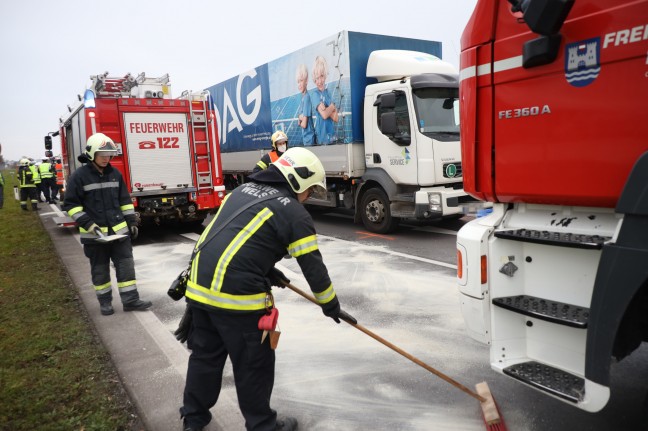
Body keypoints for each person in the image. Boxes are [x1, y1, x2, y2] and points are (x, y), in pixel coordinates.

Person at [177, 147, 355, 431]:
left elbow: (226, 236)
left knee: (205, 359)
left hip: (198, 289)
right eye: (309, 190)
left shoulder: (242, 191)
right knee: (253, 365)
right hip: (236, 301)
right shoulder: (294, 213)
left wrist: (264, 267)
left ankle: (193, 420)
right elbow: (313, 268)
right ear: (296, 180)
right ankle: (262, 426)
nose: (308, 197)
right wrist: (330, 304)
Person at [62, 133, 152, 316]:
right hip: (95, 236)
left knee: (126, 267)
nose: (106, 158)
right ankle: (105, 303)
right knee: (100, 271)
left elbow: (125, 202)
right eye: (102, 155)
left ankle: (131, 300)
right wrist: (88, 224)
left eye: (109, 155)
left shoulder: (115, 174)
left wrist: (132, 223)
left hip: (119, 234)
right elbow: (70, 205)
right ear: (91, 154)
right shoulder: (79, 177)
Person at [312, 56, 338, 144]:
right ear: (314, 79)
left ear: (325, 75)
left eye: (322, 76)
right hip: (322, 139)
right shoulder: (315, 94)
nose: (320, 81)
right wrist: (332, 107)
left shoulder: (328, 93)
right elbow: (324, 115)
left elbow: (336, 118)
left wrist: (327, 108)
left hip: (332, 137)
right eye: (317, 78)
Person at [296, 64, 315, 146]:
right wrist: (301, 117)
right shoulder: (303, 98)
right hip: (306, 138)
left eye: (301, 80)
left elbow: (303, 124)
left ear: (306, 81)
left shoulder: (306, 98)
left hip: (309, 138)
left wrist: (300, 117)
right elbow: (299, 122)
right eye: (298, 82)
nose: (299, 84)